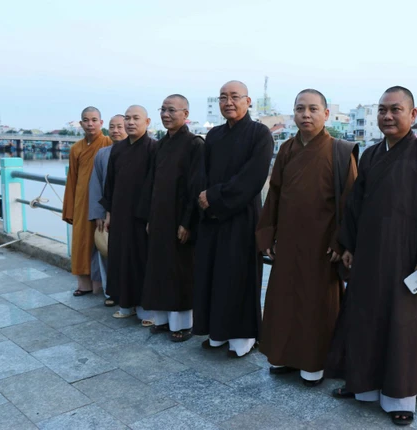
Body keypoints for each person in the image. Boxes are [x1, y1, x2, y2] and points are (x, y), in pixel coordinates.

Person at [325, 87, 417, 426]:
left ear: (413, 115)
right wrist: (348, 245)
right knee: (364, 321)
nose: (388, 116)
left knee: (402, 327)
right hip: (368, 255)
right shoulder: (370, 155)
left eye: (396, 110)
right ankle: (363, 387)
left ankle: (399, 398)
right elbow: (355, 205)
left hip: (406, 258)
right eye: (382, 110)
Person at [256, 89, 357, 385]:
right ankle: (284, 356)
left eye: (313, 109)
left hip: (322, 243)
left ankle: (314, 364)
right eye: (300, 109)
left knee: (317, 303)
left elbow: (350, 201)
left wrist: (341, 241)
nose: (306, 115)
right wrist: (268, 235)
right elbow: (274, 195)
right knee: (284, 299)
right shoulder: (287, 149)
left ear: (326, 114)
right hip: (288, 240)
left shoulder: (340, 151)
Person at [193, 81, 273, 358]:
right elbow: (202, 173)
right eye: (223, 97)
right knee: (213, 275)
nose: (229, 102)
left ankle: (243, 338)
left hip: (242, 218)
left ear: (248, 101)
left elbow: (253, 177)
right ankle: (217, 332)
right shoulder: (214, 135)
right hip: (212, 217)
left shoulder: (260, 134)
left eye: (235, 97)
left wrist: (214, 196)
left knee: (238, 276)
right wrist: (204, 199)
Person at [139, 94, 203, 342]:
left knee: (180, 270)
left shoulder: (195, 144)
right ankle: (163, 320)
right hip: (159, 218)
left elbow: (196, 186)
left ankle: (183, 324)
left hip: (179, 218)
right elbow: (152, 183)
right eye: (163, 110)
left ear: (185, 114)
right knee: (158, 269)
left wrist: (187, 222)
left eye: (172, 110)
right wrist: (149, 217)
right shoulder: (160, 145)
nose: (166, 115)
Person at [101, 106, 156, 326]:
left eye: (136, 118)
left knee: (141, 261)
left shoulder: (153, 148)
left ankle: (146, 309)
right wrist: (108, 213)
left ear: (147, 122)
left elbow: (156, 185)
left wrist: (152, 216)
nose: (130, 122)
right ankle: (125, 304)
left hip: (142, 216)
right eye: (127, 118)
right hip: (120, 214)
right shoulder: (118, 149)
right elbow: (110, 184)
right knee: (120, 258)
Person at [62, 106, 112, 296]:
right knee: (82, 242)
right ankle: (84, 284)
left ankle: (100, 284)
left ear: (101, 122)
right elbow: (72, 180)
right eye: (86, 120)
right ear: (81, 123)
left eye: (94, 120)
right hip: (82, 202)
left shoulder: (108, 143)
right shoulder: (76, 149)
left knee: (102, 242)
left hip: (101, 201)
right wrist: (69, 209)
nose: (90, 124)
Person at [88, 114, 126, 306]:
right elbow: (95, 186)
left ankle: (129, 293)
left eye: (120, 126)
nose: (116, 131)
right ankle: (109, 291)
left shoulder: (143, 151)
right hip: (106, 213)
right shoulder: (102, 154)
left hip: (129, 213)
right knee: (105, 252)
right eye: (112, 127)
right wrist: (98, 214)